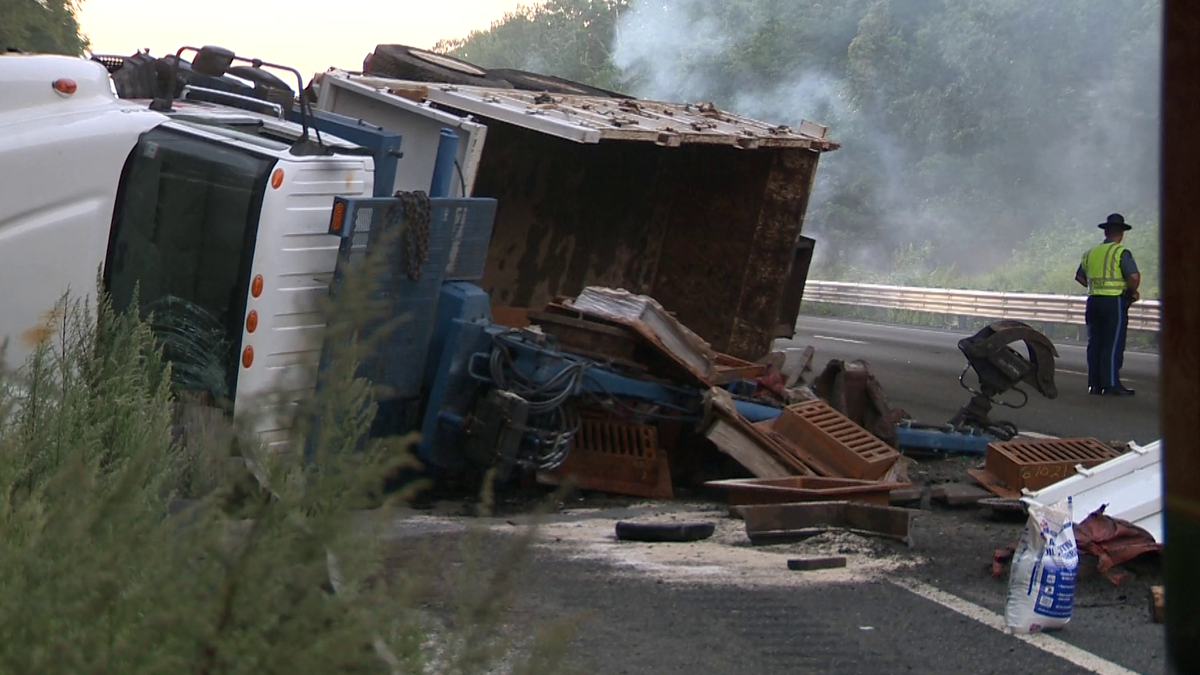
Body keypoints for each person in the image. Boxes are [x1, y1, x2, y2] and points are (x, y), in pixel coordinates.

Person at [1075, 213, 1141, 396]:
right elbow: (1134, 277)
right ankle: (1111, 384)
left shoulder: (1091, 253)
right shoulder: (1121, 252)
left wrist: (1095, 286)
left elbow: (1079, 277)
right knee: (1112, 344)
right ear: (1121, 233)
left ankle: (1094, 385)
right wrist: (1130, 292)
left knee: (1094, 343)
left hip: (1093, 301)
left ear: (1105, 231)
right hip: (1113, 302)